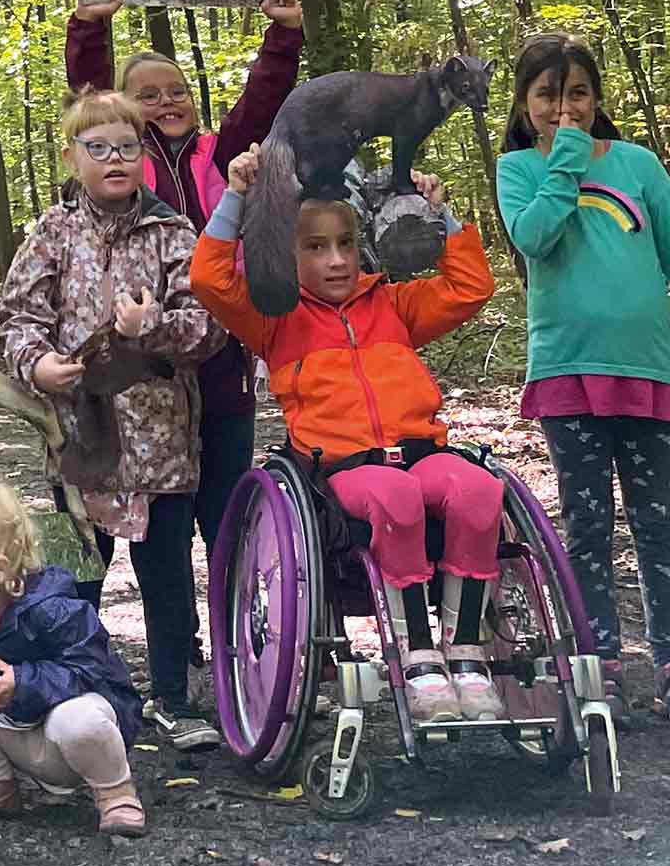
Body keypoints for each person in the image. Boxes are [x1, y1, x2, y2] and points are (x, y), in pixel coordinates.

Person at [194, 145, 502, 721]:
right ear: (284, 257)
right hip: (344, 469)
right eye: (315, 248)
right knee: (396, 494)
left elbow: (468, 288)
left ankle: (464, 653)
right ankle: (417, 657)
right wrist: (235, 196)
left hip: (420, 451)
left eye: (345, 244)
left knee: (480, 489)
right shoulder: (274, 317)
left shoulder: (393, 304)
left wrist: (444, 215)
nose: (336, 261)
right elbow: (209, 280)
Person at [66, 0, 306, 642]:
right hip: (145, 374)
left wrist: (282, 36)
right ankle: (171, 640)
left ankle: (239, 640)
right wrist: (90, 27)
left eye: (176, 91)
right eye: (148, 94)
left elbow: (261, 107)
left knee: (225, 505)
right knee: (158, 516)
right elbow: (89, 101)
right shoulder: (122, 166)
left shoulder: (218, 157)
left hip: (220, 360)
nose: (166, 101)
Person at [0, 90, 226, 751]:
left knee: (165, 573)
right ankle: (74, 688)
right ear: (74, 158)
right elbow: (16, 321)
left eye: (127, 146)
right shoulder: (50, 233)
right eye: (97, 148)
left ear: (145, 155)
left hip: (162, 442)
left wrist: (149, 324)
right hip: (79, 439)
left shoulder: (175, 235)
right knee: (77, 574)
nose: (114, 159)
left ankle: (171, 699)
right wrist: (37, 366)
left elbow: (209, 326)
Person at [496, 32, 670, 720]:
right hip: (568, 368)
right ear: (524, 102)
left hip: (647, 368)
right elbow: (535, 237)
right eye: (547, 95)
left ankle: (666, 658)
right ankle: (598, 664)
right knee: (590, 524)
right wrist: (565, 159)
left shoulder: (637, 163)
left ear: (597, 99)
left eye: (578, 94)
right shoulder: (520, 169)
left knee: (659, 522)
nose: (564, 108)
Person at [0, 474, 145, 833]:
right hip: (12, 730)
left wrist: (24, 683)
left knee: (79, 718)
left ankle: (115, 790)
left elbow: (92, 667)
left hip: (69, 735)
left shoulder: (52, 609)